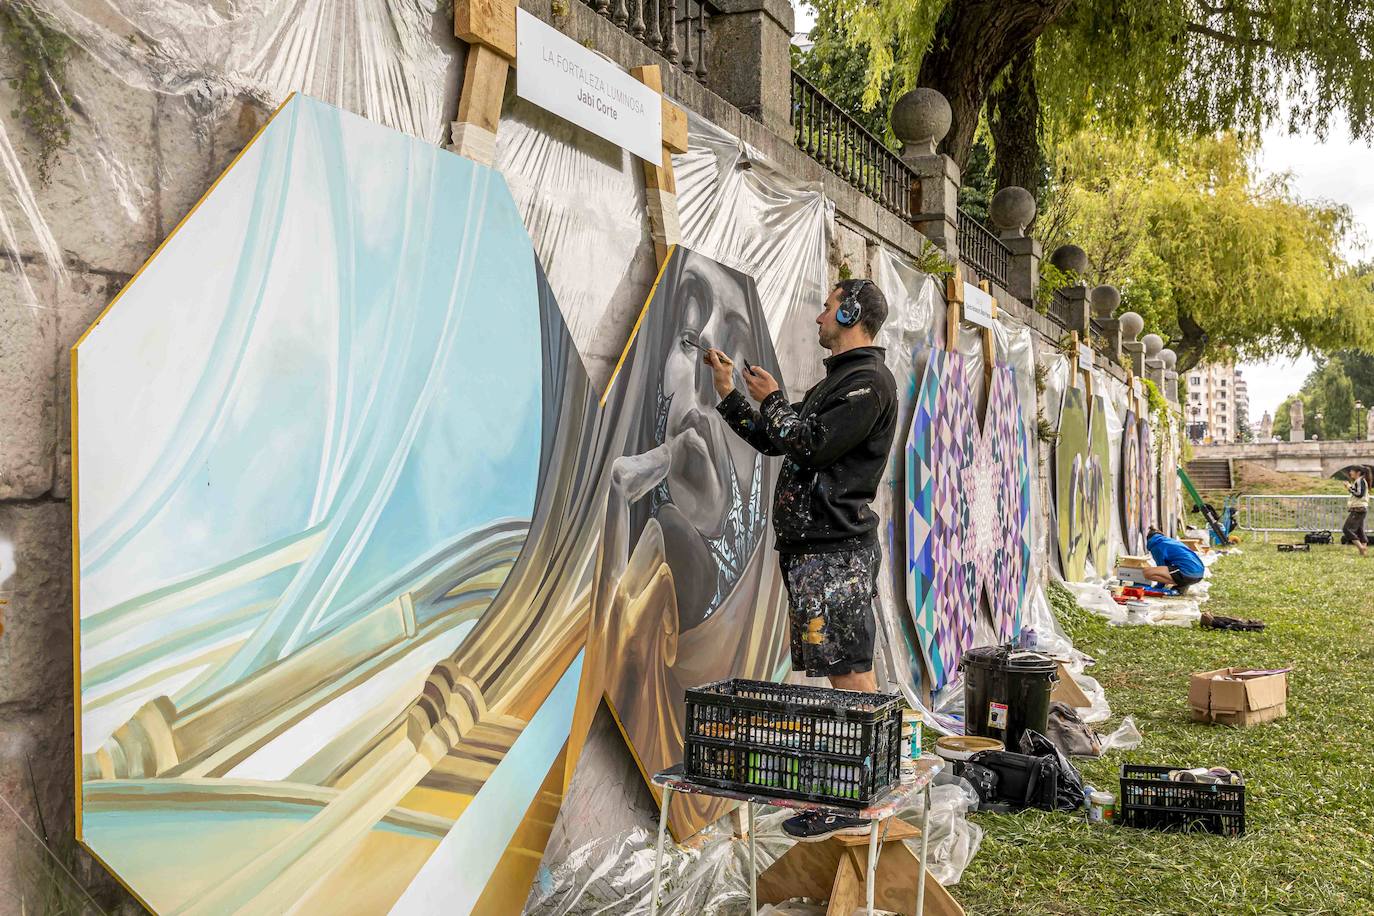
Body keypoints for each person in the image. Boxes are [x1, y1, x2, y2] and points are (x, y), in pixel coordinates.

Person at [705, 277, 897, 842]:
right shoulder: (842, 382)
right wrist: (731, 397)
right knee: (849, 665)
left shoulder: (866, 384)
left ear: (853, 311)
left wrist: (773, 401)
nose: (818, 317)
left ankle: (858, 796)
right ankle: (867, 783)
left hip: (835, 551)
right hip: (820, 550)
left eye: (828, 306)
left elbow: (809, 444)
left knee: (847, 668)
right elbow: (780, 441)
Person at [1142, 526, 1205, 593]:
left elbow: (1161, 565)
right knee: (1172, 570)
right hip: (1199, 574)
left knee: (1147, 572)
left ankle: (1181, 585)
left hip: (1188, 573)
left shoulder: (1157, 546)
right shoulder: (1171, 542)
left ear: (1149, 540)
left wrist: (1158, 587)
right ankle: (1181, 585)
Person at [1343, 466, 1369, 557]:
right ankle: (1363, 552)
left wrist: (1349, 487)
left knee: (1347, 529)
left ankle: (1361, 548)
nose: (1350, 472)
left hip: (1358, 509)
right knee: (1359, 530)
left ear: (1358, 472)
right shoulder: (1360, 481)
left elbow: (1359, 494)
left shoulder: (1360, 481)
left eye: (1352, 471)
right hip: (1360, 508)